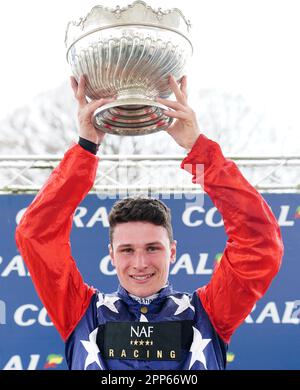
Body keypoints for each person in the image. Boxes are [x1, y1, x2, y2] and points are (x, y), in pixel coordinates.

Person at [15, 75, 283, 370]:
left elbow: (260, 243)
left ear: (173, 251)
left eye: (153, 248)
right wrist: (85, 147)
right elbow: (36, 233)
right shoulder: (80, 311)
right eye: (127, 250)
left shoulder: (209, 314)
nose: (140, 262)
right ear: (111, 255)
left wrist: (197, 148)